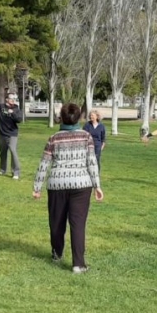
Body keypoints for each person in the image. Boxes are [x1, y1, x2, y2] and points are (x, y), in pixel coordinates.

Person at [33, 103, 104, 274]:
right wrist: (97, 186)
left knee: (56, 221)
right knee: (78, 224)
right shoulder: (86, 136)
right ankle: (78, 264)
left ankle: (57, 253)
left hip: (57, 184)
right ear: (79, 118)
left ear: (62, 118)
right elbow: (92, 162)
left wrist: (37, 187)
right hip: (82, 184)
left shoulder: (54, 138)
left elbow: (44, 163)